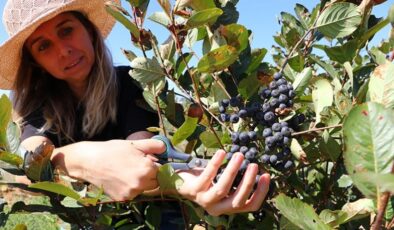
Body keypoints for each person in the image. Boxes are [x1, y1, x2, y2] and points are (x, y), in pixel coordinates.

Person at [0, 0, 270, 220]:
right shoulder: (40, 105)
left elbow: (142, 157)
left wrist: (189, 183)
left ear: (89, 30)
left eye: (66, 30)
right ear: (35, 62)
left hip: (152, 212)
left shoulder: (131, 81)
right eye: (44, 46)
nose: (63, 50)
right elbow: (30, 157)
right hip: (89, 219)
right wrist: (77, 156)